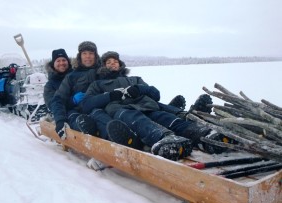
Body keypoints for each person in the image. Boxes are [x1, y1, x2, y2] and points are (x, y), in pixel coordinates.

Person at [80, 51, 233, 160]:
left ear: (120, 64)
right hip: (121, 110)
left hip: (146, 105)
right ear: (103, 66)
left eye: (115, 61)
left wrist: (139, 89)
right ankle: (164, 138)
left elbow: (155, 93)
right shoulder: (98, 84)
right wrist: (110, 95)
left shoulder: (135, 79)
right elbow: (87, 104)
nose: (112, 64)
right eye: (108, 62)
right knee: (137, 119)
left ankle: (201, 135)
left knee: (165, 116)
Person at [50, 42, 115, 140]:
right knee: (80, 122)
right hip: (78, 111)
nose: (88, 56)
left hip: (101, 109)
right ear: (80, 56)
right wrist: (60, 120)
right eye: (84, 53)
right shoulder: (71, 76)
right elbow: (58, 100)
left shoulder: (103, 72)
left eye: (91, 53)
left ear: (96, 55)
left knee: (105, 121)